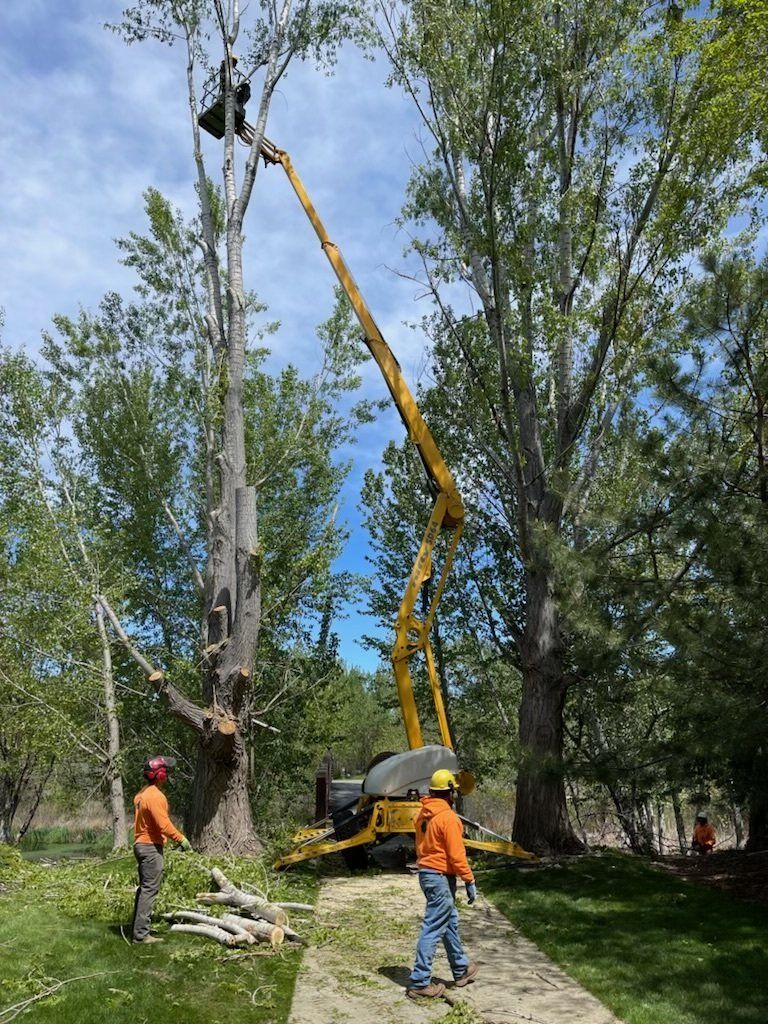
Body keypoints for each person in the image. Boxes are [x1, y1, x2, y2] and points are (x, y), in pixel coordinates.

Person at [406, 769, 479, 1000]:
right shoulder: (448, 818)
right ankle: (419, 982)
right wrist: (469, 879)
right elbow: (457, 856)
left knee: (449, 922)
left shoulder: (422, 815)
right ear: (450, 793)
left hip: (427, 874)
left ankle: (461, 969)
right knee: (433, 927)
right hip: (439, 877)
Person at [131, 755, 192, 945]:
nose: (168, 775)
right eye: (166, 771)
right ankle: (141, 935)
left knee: (144, 889)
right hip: (150, 848)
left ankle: (139, 927)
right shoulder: (155, 796)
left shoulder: (142, 794)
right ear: (160, 775)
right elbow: (164, 825)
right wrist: (181, 839)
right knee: (149, 890)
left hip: (141, 845)